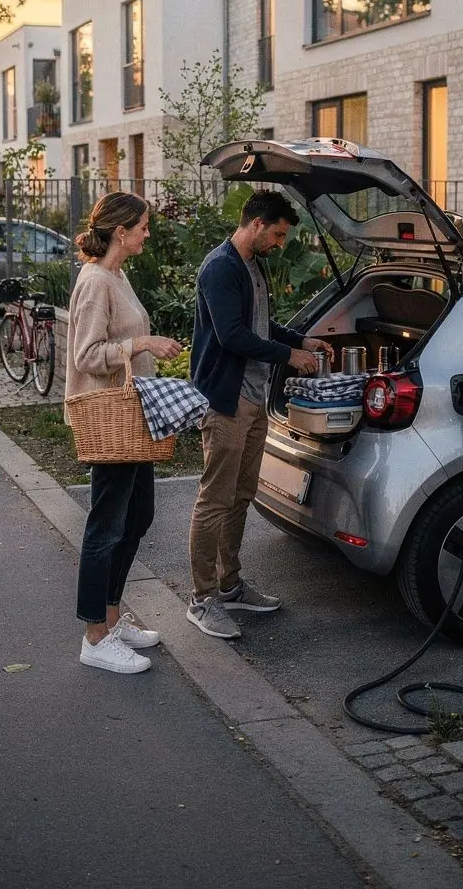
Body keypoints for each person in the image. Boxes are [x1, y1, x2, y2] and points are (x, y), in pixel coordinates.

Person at [187, 190, 332, 639]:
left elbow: (260, 327)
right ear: (256, 224)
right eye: (278, 234)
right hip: (225, 402)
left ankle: (230, 586)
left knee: (242, 493)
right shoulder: (220, 267)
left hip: (253, 400)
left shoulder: (252, 267)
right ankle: (202, 599)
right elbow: (232, 336)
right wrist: (289, 355)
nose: (280, 243)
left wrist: (301, 341)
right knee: (214, 500)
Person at [66, 192, 182, 675]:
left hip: (135, 418)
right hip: (109, 418)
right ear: (121, 231)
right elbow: (86, 356)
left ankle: (112, 618)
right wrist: (141, 344)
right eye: (143, 226)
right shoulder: (95, 281)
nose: (147, 234)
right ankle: (94, 636)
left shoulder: (117, 274)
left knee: (137, 518)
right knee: (105, 526)